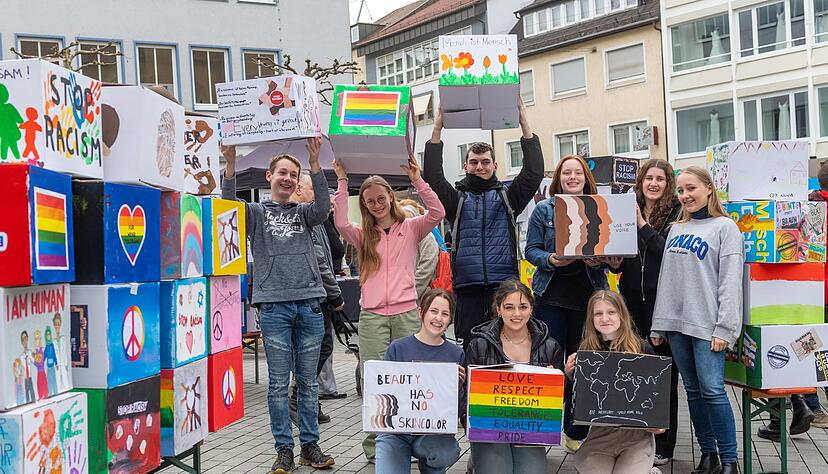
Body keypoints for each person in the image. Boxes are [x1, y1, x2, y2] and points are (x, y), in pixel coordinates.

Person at [221, 138, 335, 473]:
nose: (287, 178)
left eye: (293, 175)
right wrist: (230, 166)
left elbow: (323, 206)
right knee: (277, 383)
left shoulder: (304, 212)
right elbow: (227, 207)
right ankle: (284, 449)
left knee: (308, 383)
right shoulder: (256, 213)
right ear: (269, 176)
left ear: (298, 182)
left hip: (309, 304)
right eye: (282, 172)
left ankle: (310, 446)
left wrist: (315, 164)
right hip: (273, 307)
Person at [333, 155, 446, 462]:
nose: (376, 205)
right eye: (369, 201)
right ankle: (376, 446)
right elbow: (340, 222)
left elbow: (438, 212)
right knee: (374, 380)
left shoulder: (411, 228)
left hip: (406, 312)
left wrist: (417, 180)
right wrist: (342, 182)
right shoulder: (362, 235)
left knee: (409, 379)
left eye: (381, 198)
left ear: (390, 197)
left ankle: (410, 442)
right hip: (372, 316)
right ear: (364, 204)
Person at [423, 101, 544, 349]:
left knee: (505, 348)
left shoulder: (508, 197)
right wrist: (437, 129)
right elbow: (433, 177)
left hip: (504, 287)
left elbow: (533, 172)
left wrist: (524, 122)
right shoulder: (456, 199)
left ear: (495, 166)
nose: (480, 166)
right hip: (467, 288)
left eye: (485, 162)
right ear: (465, 166)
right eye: (474, 162)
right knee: (471, 349)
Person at [651, 166, 743, 474]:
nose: (685, 195)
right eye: (681, 190)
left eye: (691, 188)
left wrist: (725, 328)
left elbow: (731, 282)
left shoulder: (725, 228)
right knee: (692, 391)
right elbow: (668, 280)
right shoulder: (677, 229)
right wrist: (659, 324)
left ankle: (729, 460)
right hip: (677, 326)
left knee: (713, 391)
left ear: (708, 188)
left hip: (709, 327)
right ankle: (708, 455)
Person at [524, 154, 607, 449]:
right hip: (551, 300)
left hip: (588, 302)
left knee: (584, 364)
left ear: (586, 178)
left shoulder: (599, 208)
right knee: (549, 365)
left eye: (578, 173)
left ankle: (575, 431)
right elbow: (530, 250)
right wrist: (550, 259)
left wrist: (601, 261)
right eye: (567, 173)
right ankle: (542, 429)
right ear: (558, 178)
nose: (573, 177)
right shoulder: (543, 210)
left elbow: (611, 252)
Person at [606, 158, 681, 465]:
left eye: (660, 179)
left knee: (663, 375)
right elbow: (622, 253)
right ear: (641, 181)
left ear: (668, 184)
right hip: (631, 302)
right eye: (649, 178)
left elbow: (668, 253)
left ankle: (665, 443)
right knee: (632, 372)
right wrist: (615, 263)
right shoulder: (627, 208)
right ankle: (633, 439)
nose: (653, 184)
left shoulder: (677, 213)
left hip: (662, 303)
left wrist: (642, 225)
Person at [465, 279, 564, 474]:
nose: (516, 314)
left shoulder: (550, 347)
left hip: (529, 429)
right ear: (498, 309)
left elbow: (558, 403)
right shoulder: (479, 345)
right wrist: (472, 423)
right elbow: (466, 397)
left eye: (523, 307)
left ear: (531, 309)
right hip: (491, 428)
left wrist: (558, 380)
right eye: (509, 307)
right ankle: (478, 458)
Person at [565, 290, 665, 474]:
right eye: (598, 313)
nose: (605, 318)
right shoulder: (586, 351)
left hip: (636, 437)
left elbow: (657, 396)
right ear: (591, 319)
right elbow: (577, 406)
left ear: (622, 315)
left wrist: (658, 425)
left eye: (611, 312)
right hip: (600, 435)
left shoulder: (642, 348)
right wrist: (570, 376)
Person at [375, 288, 465, 474]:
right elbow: (383, 396)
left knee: (446, 451)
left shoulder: (456, 354)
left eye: (445, 314)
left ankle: (430, 466)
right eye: (434, 311)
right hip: (397, 432)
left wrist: (457, 387)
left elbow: (455, 412)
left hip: (432, 433)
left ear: (450, 319)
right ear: (420, 312)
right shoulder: (397, 348)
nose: (438, 318)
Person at [288, 171, 346, 425]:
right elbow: (319, 259)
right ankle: (299, 398)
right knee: (319, 348)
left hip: (314, 293)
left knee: (314, 350)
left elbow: (332, 250)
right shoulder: (304, 217)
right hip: (314, 295)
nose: (320, 195)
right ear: (300, 189)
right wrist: (335, 294)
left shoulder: (315, 216)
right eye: (314, 189)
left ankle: (308, 402)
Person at [399, 198, 440, 300]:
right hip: (403, 295)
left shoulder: (426, 236)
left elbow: (426, 269)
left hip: (421, 297)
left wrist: (410, 294)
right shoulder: (399, 238)